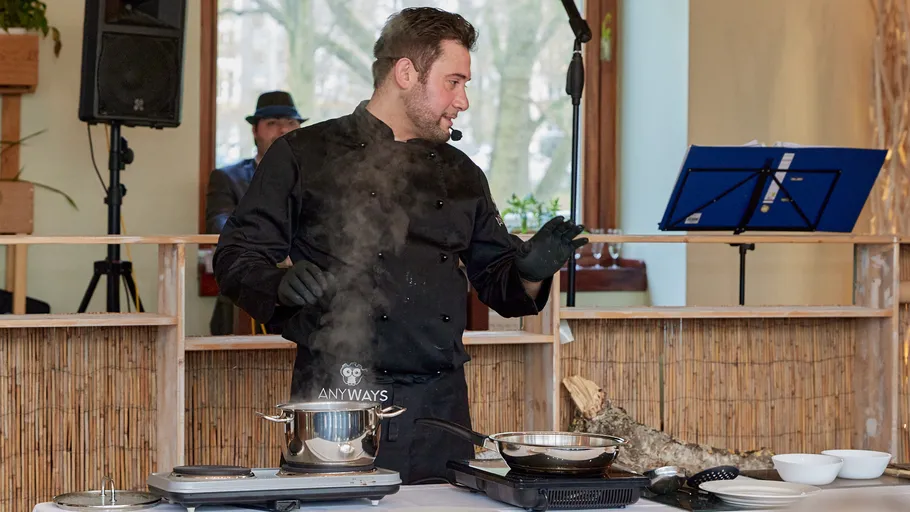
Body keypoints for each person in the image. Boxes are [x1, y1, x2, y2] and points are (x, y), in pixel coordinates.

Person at [212, 7, 587, 484]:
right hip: (338, 397)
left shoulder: (462, 173)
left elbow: (500, 285)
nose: (463, 101)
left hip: (439, 403)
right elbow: (236, 256)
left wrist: (531, 271)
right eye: (454, 81)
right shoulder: (304, 154)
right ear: (406, 72)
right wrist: (278, 282)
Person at [205, 91, 307, 335]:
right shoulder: (229, 177)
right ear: (255, 130)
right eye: (272, 124)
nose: (283, 131)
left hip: (303, 304)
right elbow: (220, 224)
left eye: (291, 123)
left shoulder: (316, 179)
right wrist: (278, 254)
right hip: (246, 297)